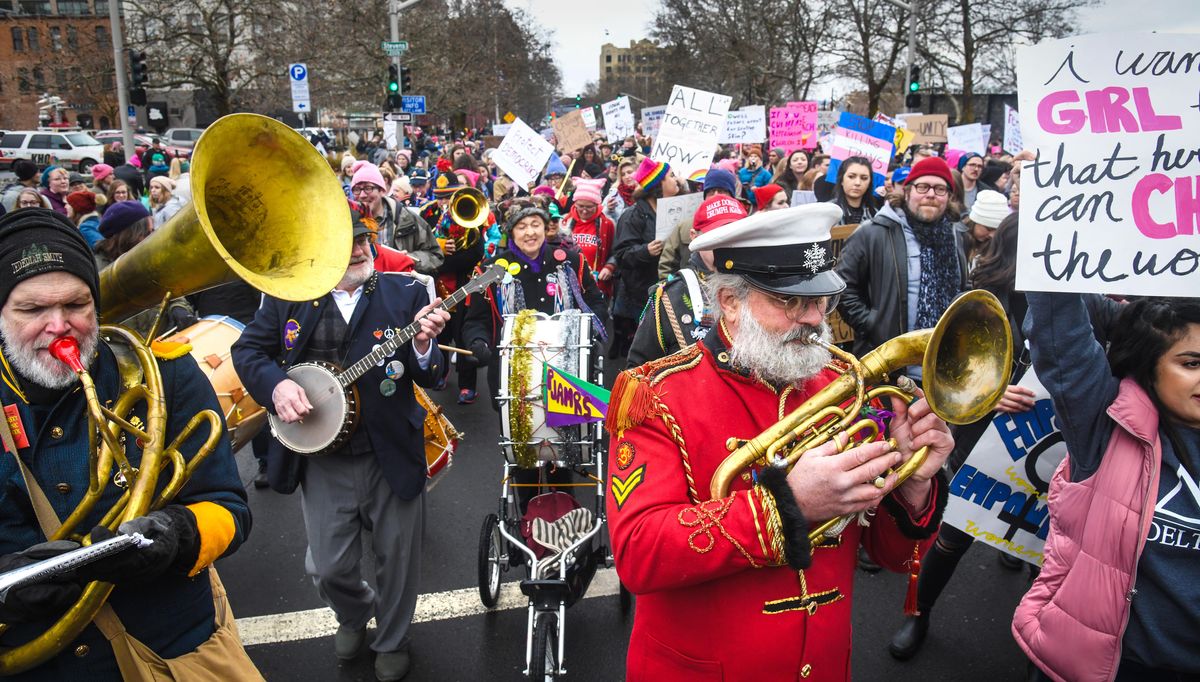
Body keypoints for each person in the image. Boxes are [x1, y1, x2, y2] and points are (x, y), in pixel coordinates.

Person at [607, 202, 955, 679]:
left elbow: (892, 557)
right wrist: (787, 504)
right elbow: (637, 554)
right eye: (790, 301)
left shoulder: (844, 381)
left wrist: (911, 487)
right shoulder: (654, 394)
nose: (814, 319)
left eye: (821, 300)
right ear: (729, 301)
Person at [0, 208, 258, 680]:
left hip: (171, 652)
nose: (59, 326)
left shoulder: (167, 374)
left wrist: (178, 535)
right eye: (33, 310)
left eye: (77, 305)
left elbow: (228, 508)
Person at [231, 213, 450, 682]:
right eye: (344, 243)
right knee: (328, 567)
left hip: (390, 447)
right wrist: (276, 388)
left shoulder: (407, 292)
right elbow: (248, 352)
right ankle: (354, 613)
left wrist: (427, 346)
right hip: (322, 454)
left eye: (364, 240)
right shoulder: (288, 297)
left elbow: (429, 374)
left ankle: (393, 639)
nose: (359, 249)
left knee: (398, 556)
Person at [1013, 291, 1200, 681]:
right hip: (1114, 665)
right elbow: (1059, 330)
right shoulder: (1104, 426)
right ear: (1150, 365)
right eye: (1191, 363)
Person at [461, 200, 607, 508]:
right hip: (514, 377)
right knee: (523, 457)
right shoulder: (492, 272)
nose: (530, 232)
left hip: (565, 372)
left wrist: (592, 334)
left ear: (545, 226)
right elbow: (476, 320)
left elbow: (595, 301)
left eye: (535, 224)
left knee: (563, 453)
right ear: (510, 231)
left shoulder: (568, 261)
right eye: (521, 226)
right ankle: (525, 519)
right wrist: (478, 344)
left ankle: (562, 519)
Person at [836, 156, 969, 361]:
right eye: (923, 187)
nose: (931, 195)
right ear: (907, 191)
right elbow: (843, 287)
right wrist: (873, 324)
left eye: (940, 189)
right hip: (889, 361)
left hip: (943, 362)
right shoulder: (873, 233)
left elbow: (963, 288)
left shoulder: (956, 235)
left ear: (949, 196)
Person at [628, 193, 746, 367]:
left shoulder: (766, 288)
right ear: (694, 236)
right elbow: (638, 369)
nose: (727, 244)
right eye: (717, 235)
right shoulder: (669, 296)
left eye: (736, 235)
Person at [611, 158, 682, 359]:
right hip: (638, 297)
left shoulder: (676, 210)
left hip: (667, 292)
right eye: (671, 176)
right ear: (659, 185)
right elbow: (621, 254)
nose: (676, 180)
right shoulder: (633, 215)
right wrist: (645, 251)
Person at [351, 163, 443, 275]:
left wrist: (410, 259)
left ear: (381, 190)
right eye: (356, 189)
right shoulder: (347, 223)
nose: (362, 195)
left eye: (368, 188)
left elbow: (435, 256)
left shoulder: (408, 219)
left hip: (399, 287)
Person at [658, 168, 738, 281]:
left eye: (721, 191)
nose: (715, 195)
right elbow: (667, 266)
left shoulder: (743, 225)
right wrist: (675, 291)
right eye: (711, 191)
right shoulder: (684, 227)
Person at [561, 178, 616, 298]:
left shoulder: (607, 224)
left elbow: (616, 251)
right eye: (580, 206)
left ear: (597, 205)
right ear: (574, 203)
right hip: (569, 285)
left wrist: (609, 267)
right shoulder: (564, 222)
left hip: (595, 285)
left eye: (589, 207)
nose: (584, 211)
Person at [959, 189, 1009, 271]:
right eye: (989, 229)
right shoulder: (957, 240)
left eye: (997, 230)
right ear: (975, 222)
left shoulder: (1000, 247)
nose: (992, 235)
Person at [828, 156, 880, 225]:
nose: (857, 183)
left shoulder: (875, 215)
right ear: (841, 180)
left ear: (869, 183)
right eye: (851, 177)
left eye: (864, 178)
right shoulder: (828, 211)